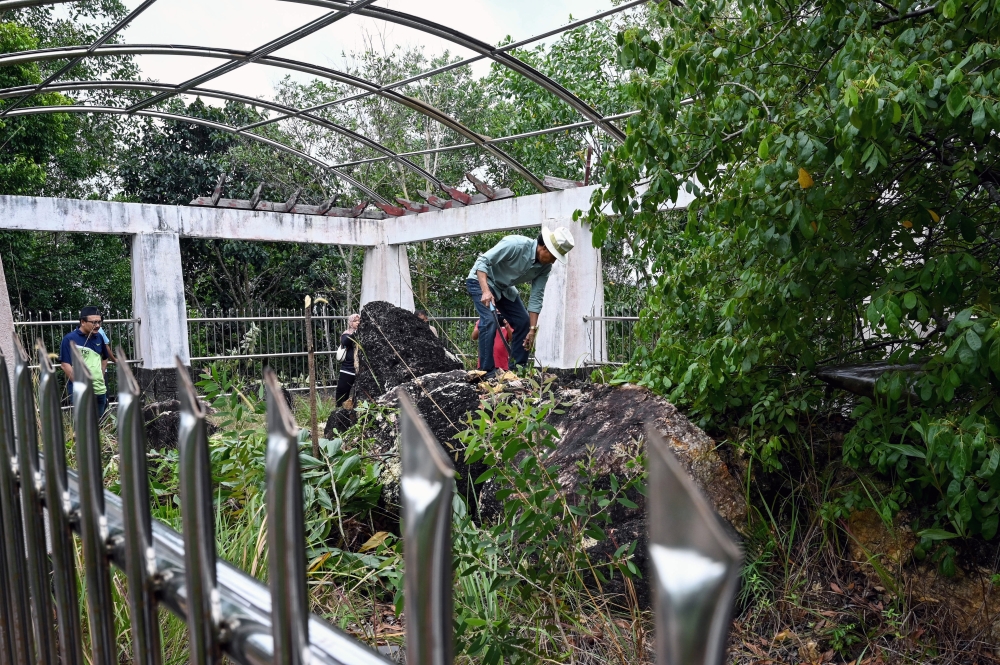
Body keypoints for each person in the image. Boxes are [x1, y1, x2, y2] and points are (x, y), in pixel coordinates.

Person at [466, 226, 575, 378]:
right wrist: (485, 291)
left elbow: (537, 296)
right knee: (489, 320)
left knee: (524, 322)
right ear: (544, 247)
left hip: (504, 288)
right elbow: (482, 262)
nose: (554, 260)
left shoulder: (545, 267)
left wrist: (532, 330)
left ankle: (517, 371)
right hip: (481, 280)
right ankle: (486, 372)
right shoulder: (515, 245)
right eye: (553, 255)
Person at [59, 306, 111, 418]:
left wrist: (101, 375)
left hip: (100, 389)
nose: (97, 325)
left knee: (100, 424)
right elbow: (65, 365)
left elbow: (105, 357)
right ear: (83, 322)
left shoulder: (99, 338)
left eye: (99, 322)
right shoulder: (70, 339)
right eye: (94, 322)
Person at [335, 313, 360, 407]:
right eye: (355, 321)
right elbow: (345, 342)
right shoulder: (347, 334)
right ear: (350, 323)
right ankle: (339, 410)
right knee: (342, 392)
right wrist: (356, 333)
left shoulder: (364, 334)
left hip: (359, 370)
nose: (358, 323)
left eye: (359, 321)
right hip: (348, 369)